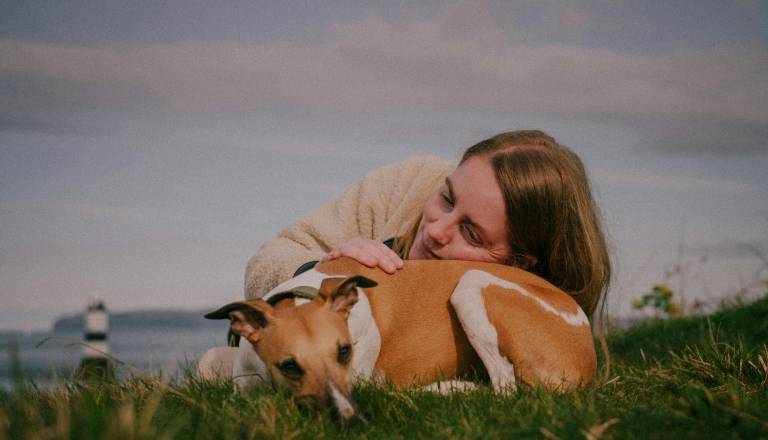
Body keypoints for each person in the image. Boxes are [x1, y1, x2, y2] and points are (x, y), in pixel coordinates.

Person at [244, 130, 611, 323]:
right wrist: (322, 271)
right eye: (447, 199)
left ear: (521, 263)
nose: (436, 230)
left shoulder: (533, 304)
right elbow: (267, 260)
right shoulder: (412, 181)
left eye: (471, 233)